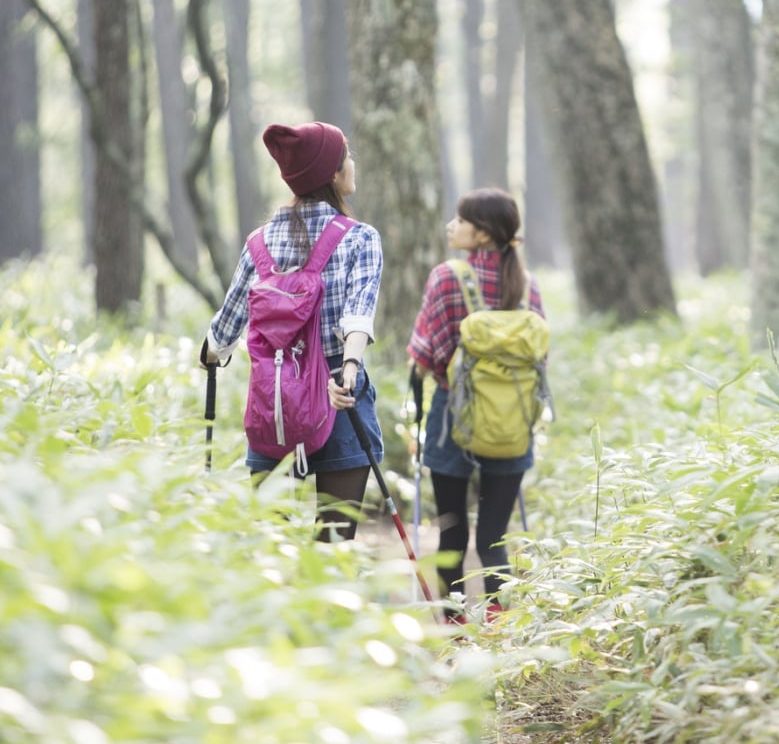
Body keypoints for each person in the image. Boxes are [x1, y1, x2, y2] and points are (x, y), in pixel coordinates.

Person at [204, 120, 384, 542]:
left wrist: (210, 351)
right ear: (334, 175)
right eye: (347, 157)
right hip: (339, 396)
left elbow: (225, 331)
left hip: (274, 405)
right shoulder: (360, 239)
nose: (352, 163)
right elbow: (359, 314)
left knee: (273, 548)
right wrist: (351, 366)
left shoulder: (259, 242)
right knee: (335, 547)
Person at [408, 188, 546, 620]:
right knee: (494, 534)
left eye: (461, 219)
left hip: (454, 418)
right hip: (512, 421)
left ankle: (453, 623)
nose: (452, 225)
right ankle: (499, 621)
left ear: (483, 233)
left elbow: (427, 355)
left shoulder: (447, 277)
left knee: (452, 532)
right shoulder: (527, 286)